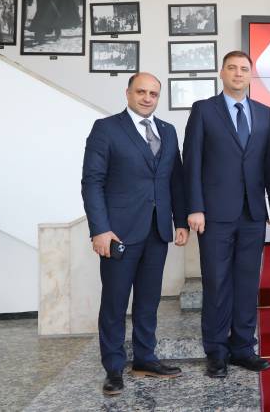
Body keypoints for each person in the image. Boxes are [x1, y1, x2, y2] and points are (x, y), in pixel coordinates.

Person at [81, 73, 189, 396]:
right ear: (127, 93)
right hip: (118, 234)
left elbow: (176, 180)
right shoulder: (106, 129)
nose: (147, 98)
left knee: (148, 300)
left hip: (157, 231)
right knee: (114, 302)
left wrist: (180, 221)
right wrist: (100, 229)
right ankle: (113, 368)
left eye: (153, 93)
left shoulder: (168, 131)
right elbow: (92, 182)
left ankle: (145, 358)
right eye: (141, 91)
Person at [182, 50, 270, 379]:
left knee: (247, 283)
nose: (238, 73)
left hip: (253, 212)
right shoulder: (204, 110)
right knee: (217, 282)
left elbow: (268, 162)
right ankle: (217, 351)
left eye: (244, 69)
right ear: (221, 73)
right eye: (232, 68)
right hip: (214, 213)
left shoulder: (264, 112)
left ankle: (243, 348)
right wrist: (194, 207)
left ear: (251, 75)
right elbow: (191, 161)